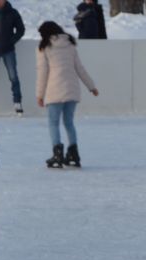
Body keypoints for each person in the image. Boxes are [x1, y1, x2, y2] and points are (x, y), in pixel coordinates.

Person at [35, 21, 98, 168]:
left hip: (54, 90)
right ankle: (73, 153)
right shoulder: (69, 44)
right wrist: (91, 86)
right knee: (69, 122)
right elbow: (80, 69)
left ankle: (58, 153)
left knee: (53, 123)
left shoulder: (44, 47)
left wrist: (40, 94)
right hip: (72, 90)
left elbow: (43, 72)